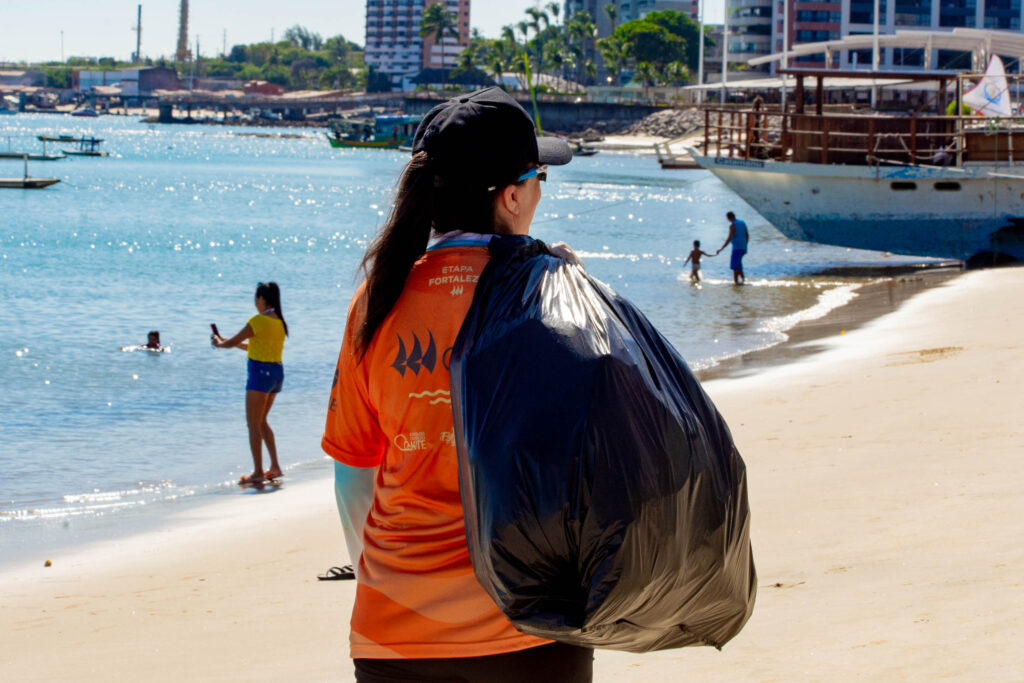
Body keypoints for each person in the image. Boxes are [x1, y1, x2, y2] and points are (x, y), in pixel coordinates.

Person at [321, 87, 593, 682]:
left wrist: (380, 580)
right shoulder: (549, 292)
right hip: (529, 633)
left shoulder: (376, 300)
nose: (541, 191)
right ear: (514, 195)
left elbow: (353, 478)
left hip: (393, 640)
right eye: (539, 175)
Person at [212, 282, 287, 488]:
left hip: (260, 375)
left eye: (256, 298)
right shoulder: (279, 322)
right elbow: (253, 346)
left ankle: (257, 472)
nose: (255, 303)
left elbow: (230, 343)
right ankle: (275, 466)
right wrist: (228, 341)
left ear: (263, 299)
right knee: (262, 421)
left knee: (253, 424)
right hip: (276, 374)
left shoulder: (258, 320)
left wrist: (219, 343)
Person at [717, 211, 750, 285]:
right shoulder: (742, 222)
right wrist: (745, 246)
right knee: (738, 266)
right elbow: (747, 235)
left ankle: (736, 283)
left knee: (735, 267)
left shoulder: (732, 225)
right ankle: (743, 280)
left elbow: (729, 238)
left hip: (736, 248)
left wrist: (721, 248)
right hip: (743, 248)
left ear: (728, 218)